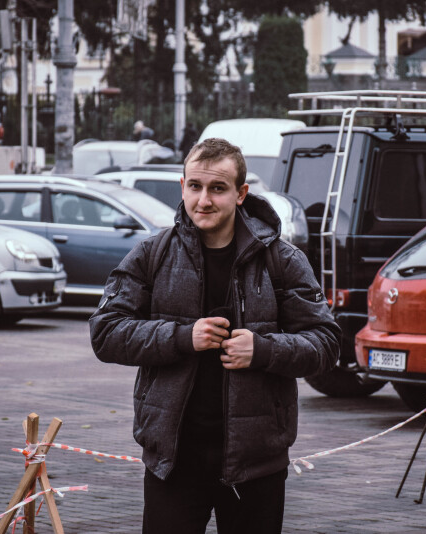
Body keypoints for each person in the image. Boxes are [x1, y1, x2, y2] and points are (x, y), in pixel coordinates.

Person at [89, 138, 340, 534]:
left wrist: (263, 350)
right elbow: (105, 332)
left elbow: (326, 343)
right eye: (195, 186)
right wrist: (181, 337)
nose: (203, 200)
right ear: (183, 186)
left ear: (241, 193)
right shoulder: (153, 254)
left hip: (255, 464)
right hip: (173, 461)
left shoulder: (282, 260)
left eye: (218, 188)